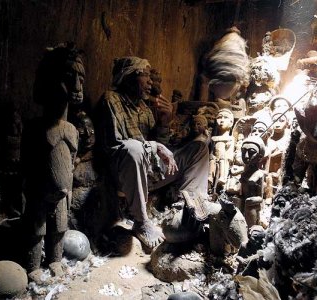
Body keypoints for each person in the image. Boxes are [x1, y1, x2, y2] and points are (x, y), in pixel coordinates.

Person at [95, 56, 210, 249]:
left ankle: (191, 208)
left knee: (199, 148)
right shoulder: (111, 99)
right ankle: (141, 221)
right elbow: (117, 145)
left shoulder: (146, 109)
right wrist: (154, 146)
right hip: (124, 176)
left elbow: (160, 150)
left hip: (150, 173)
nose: (150, 82)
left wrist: (164, 122)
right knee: (134, 149)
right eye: (145, 76)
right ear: (129, 77)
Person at [21, 43, 84, 281]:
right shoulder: (35, 128)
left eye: (81, 79)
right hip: (38, 191)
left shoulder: (72, 129)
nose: (77, 86)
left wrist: (66, 186)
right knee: (37, 229)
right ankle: (33, 265)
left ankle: (55, 260)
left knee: (58, 227)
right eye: (70, 77)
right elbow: (27, 162)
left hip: (62, 194)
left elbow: (71, 162)